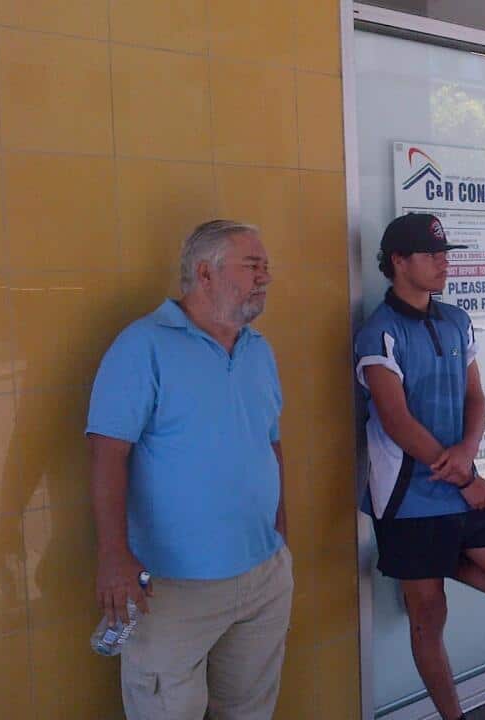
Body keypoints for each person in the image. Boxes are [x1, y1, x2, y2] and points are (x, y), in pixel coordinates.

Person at [87, 220, 292, 720]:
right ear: (205, 272)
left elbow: (271, 444)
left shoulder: (257, 349)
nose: (265, 277)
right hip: (172, 588)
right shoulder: (143, 346)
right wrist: (114, 556)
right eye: (253, 265)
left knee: (248, 710)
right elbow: (107, 454)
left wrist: (281, 536)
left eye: (266, 266)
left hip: (261, 575)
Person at [354, 212, 485, 720]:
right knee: (428, 617)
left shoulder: (456, 319)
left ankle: (428, 564)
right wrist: (464, 474)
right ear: (397, 262)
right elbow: (395, 420)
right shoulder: (378, 332)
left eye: (445, 254)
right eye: (430, 254)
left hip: (461, 486)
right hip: (407, 497)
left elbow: (475, 396)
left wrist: (467, 459)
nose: (443, 263)